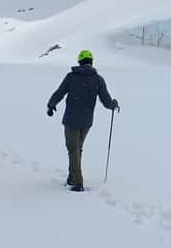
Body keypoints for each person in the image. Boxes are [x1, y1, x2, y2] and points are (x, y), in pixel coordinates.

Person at [46, 49, 119, 192]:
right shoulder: (98, 79)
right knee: (77, 149)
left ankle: (78, 183)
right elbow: (106, 101)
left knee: (73, 150)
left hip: (71, 120)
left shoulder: (71, 77)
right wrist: (113, 105)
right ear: (91, 62)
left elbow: (59, 93)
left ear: (79, 62)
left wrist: (51, 105)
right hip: (86, 122)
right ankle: (72, 177)